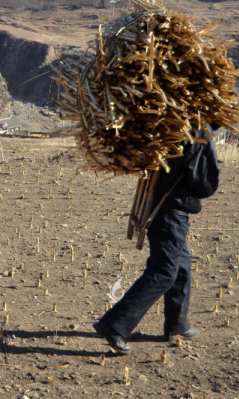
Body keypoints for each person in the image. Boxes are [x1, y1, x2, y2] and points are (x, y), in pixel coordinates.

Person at [93, 123, 221, 354]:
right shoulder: (196, 135)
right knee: (164, 271)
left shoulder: (167, 127)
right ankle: (115, 324)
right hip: (170, 212)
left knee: (180, 266)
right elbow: (204, 184)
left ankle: (177, 325)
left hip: (156, 206)